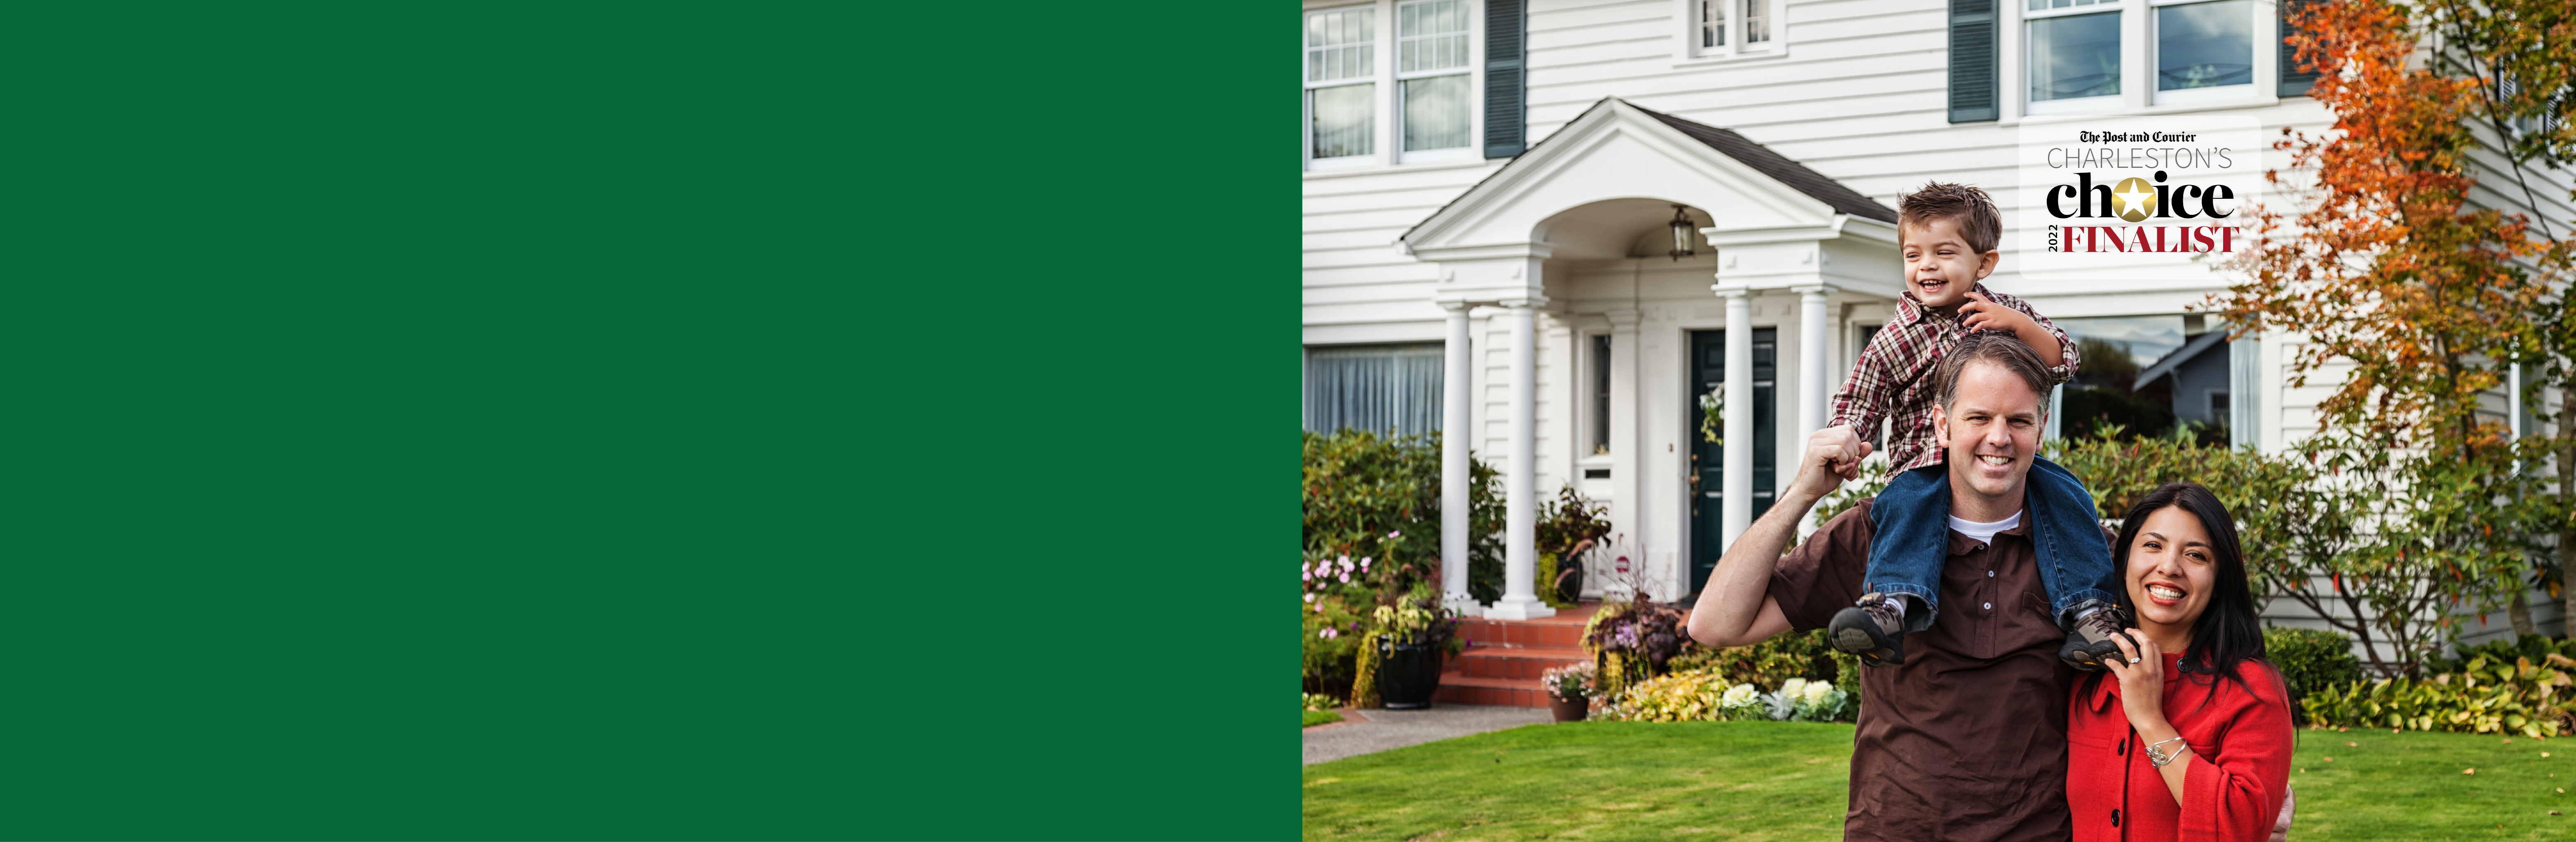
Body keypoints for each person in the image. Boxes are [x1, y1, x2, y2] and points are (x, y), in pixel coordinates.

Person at [1688, 331, 2092, 841]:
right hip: (1894, 828)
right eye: (1977, 418)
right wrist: (1802, 492)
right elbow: (1715, 624)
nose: (1998, 437)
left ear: (2041, 427)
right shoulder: (1876, 532)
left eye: (2017, 420)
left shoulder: (2079, 550)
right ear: (1942, 425)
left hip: (2037, 832)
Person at [1814, 181, 2132, 671]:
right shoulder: (1897, 338)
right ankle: (1890, 606)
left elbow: (2064, 360)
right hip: (1924, 464)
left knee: (2065, 493)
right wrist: (1847, 436)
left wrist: (2017, 326)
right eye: (1913, 254)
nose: (1926, 266)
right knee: (1903, 508)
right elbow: (1862, 396)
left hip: (2002, 459)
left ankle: (2089, 613)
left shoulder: (2007, 314)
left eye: (1944, 252)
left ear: (1983, 264)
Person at [2066, 483, 2294, 841]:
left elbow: (2242, 829)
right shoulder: (2086, 674)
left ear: (2220, 581)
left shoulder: (2251, 689)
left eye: (2196, 556)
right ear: (2125, 561)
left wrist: (2151, 721)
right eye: (2153, 546)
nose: (2169, 567)